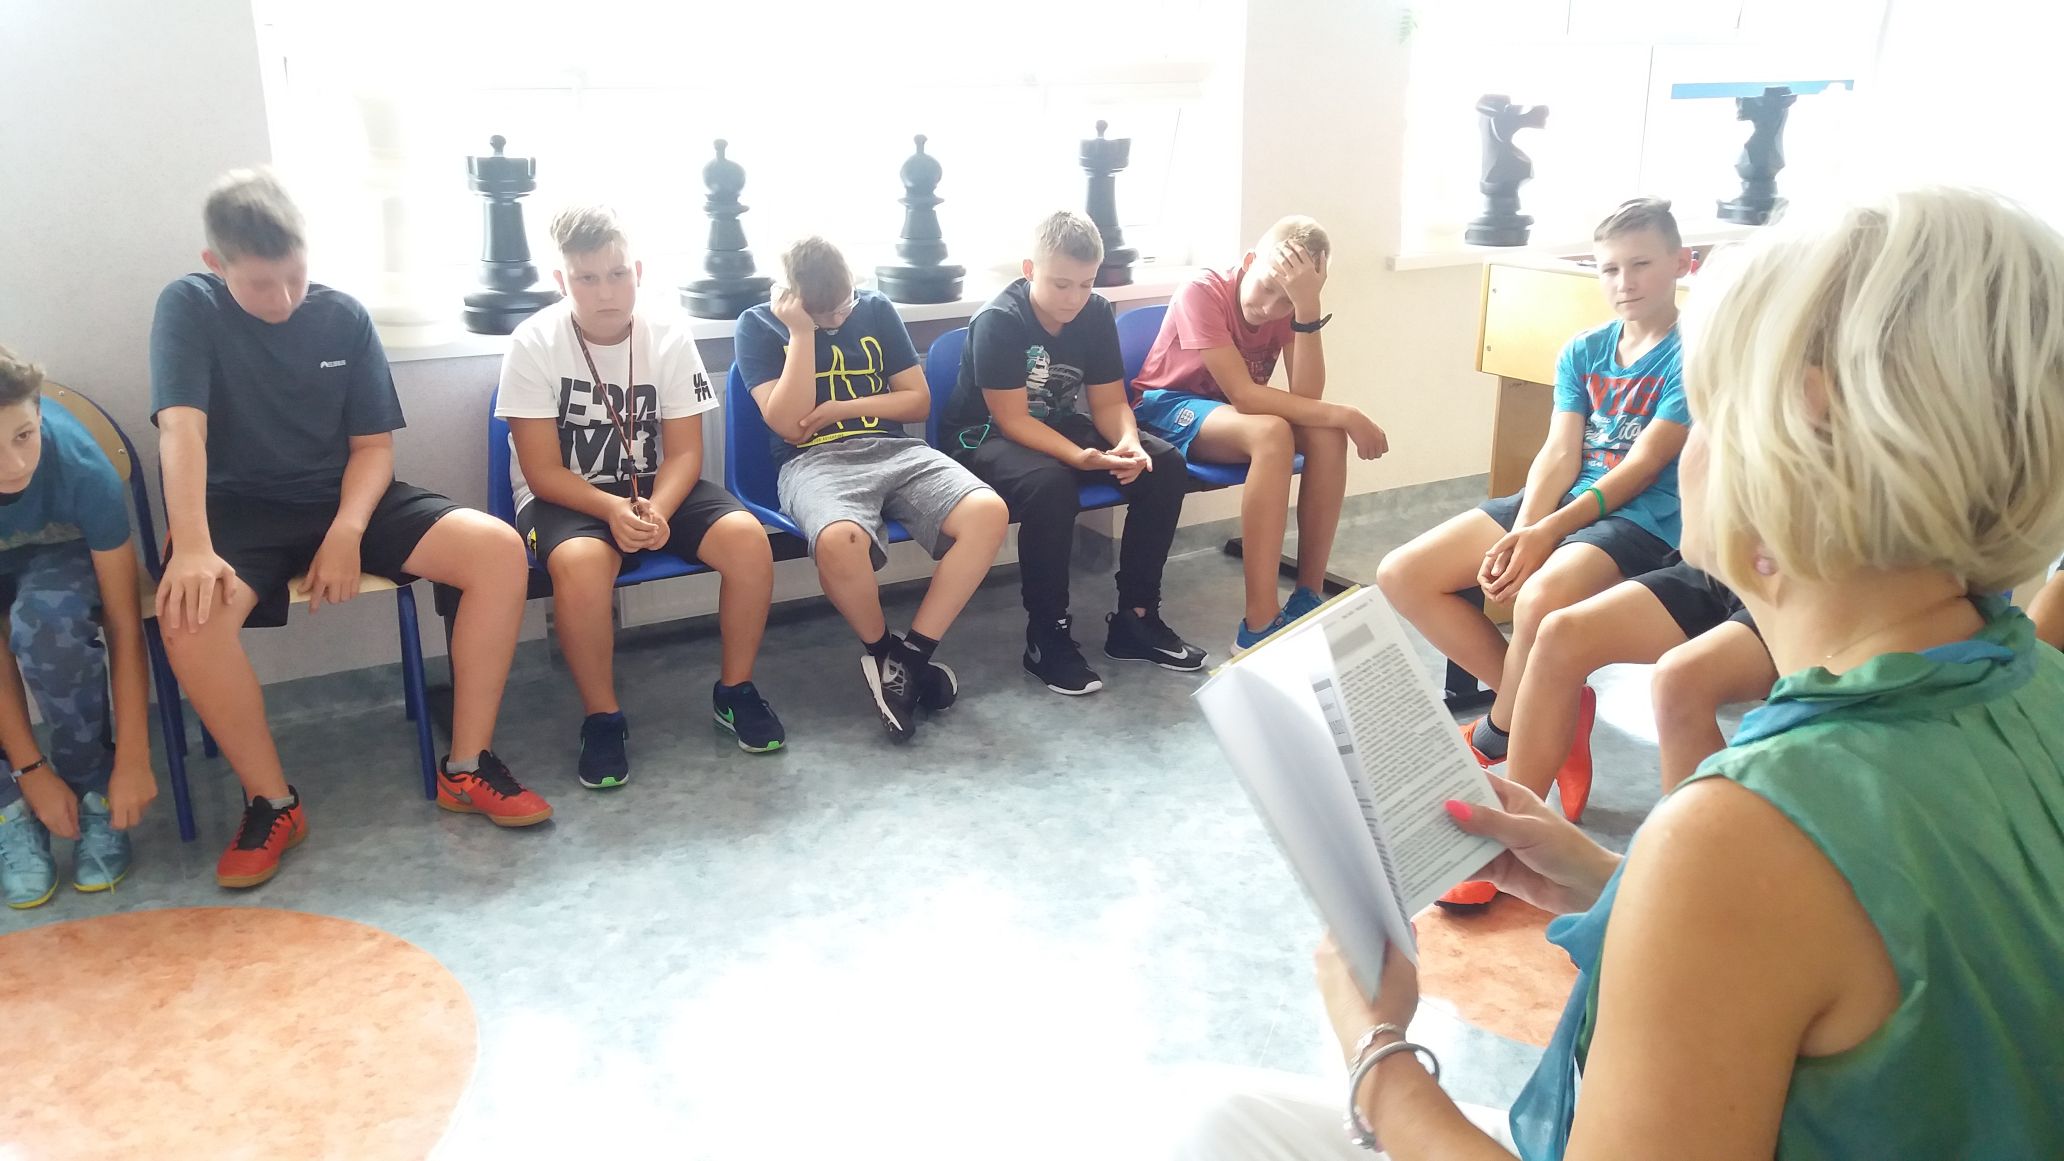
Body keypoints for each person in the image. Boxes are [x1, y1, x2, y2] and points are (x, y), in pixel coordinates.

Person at [1173, 187, 2064, 1159]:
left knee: (1203, 1121)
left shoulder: (1743, 834)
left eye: (1712, 404)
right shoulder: (2038, 681)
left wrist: (1375, 1050)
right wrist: (1613, 885)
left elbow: (1778, 896)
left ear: (1798, 431)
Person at [152, 168, 548, 889]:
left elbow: (372, 449)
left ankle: (466, 767)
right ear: (216, 263)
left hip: (347, 497)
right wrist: (194, 545)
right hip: (237, 510)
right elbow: (182, 430)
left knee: (497, 550)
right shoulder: (187, 306)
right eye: (260, 284)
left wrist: (345, 530)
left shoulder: (344, 316)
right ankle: (273, 803)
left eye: (295, 277)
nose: (283, 298)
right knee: (187, 615)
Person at [1376, 198, 1690, 775]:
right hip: (1565, 500)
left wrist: (1546, 534)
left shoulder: (1693, 354)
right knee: (1403, 574)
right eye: (1610, 268)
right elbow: (1561, 451)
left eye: (1641, 264)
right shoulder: (1585, 348)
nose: (1624, 282)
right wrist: (1523, 533)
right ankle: (1552, 707)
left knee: (1539, 598)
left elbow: (1644, 466)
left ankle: (1501, 730)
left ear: (1681, 263)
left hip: (1642, 516)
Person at [498, 205, 783, 787]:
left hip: (658, 487)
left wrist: (658, 510)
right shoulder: (532, 342)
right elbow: (541, 471)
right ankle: (603, 718)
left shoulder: (669, 335)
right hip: (565, 497)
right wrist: (610, 510)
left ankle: (735, 691)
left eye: (617, 274)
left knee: (748, 541)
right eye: (587, 278)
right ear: (561, 280)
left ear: (639, 272)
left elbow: (685, 454)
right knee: (582, 566)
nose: (605, 292)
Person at [735, 237, 1007, 741]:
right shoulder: (758, 325)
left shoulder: (876, 308)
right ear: (794, 300)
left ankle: (911, 658)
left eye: (845, 306)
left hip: (895, 450)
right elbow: (790, 426)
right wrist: (801, 333)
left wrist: (842, 409)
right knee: (839, 541)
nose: (839, 319)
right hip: (812, 462)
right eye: (825, 315)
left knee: (987, 512)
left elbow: (917, 402)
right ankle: (883, 653)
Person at [944, 211, 1205, 695]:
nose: (1074, 298)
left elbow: (1108, 402)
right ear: (1030, 270)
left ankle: (1136, 618)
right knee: (1051, 485)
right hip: (982, 437)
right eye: (1061, 284)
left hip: (1056, 424)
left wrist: (1127, 441)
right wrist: (1078, 457)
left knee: (1163, 464)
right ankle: (1047, 635)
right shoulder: (1000, 320)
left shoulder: (1096, 312)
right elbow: (1012, 420)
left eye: (1086, 284)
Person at [1436, 558, 1776, 910]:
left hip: (1795, 583)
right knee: (1558, 632)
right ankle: (1515, 835)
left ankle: (1690, 892)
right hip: (1730, 565)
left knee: (1683, 678)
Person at [1131, 216, 1388, 652]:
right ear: (1250, 261)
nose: (1270, 308)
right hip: (1166, 408)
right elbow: (1246, 396)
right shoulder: (1202, 291)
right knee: (1273, 432)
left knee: (1326, 435)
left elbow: (1307, 396)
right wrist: (1347, 413)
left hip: (1232, 417)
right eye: (1267, 287)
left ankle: (1306, 594)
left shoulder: (1294, 309)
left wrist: (1306, 312)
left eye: (1286, 301)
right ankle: (1259, 622)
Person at [0, 347, 156, 908]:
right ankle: (9, 808)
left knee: (47, 623)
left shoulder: (83, 469)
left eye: (23, 436)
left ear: (39, 412)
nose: (13, 465)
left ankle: (93, 787)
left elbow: (124, 623)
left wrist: (134, 759)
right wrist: (29, 771)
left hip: (60, 551)